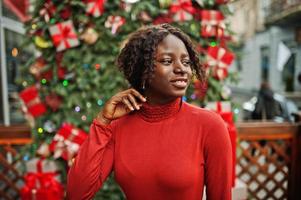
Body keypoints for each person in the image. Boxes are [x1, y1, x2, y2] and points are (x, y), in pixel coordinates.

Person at [67, 23, 232, 200]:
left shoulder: (209, 125)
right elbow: (77, 194)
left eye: (186, 62)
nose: (181, 69)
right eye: (167, 61)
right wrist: (102, 121)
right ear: (142, 69)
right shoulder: (117, 128)